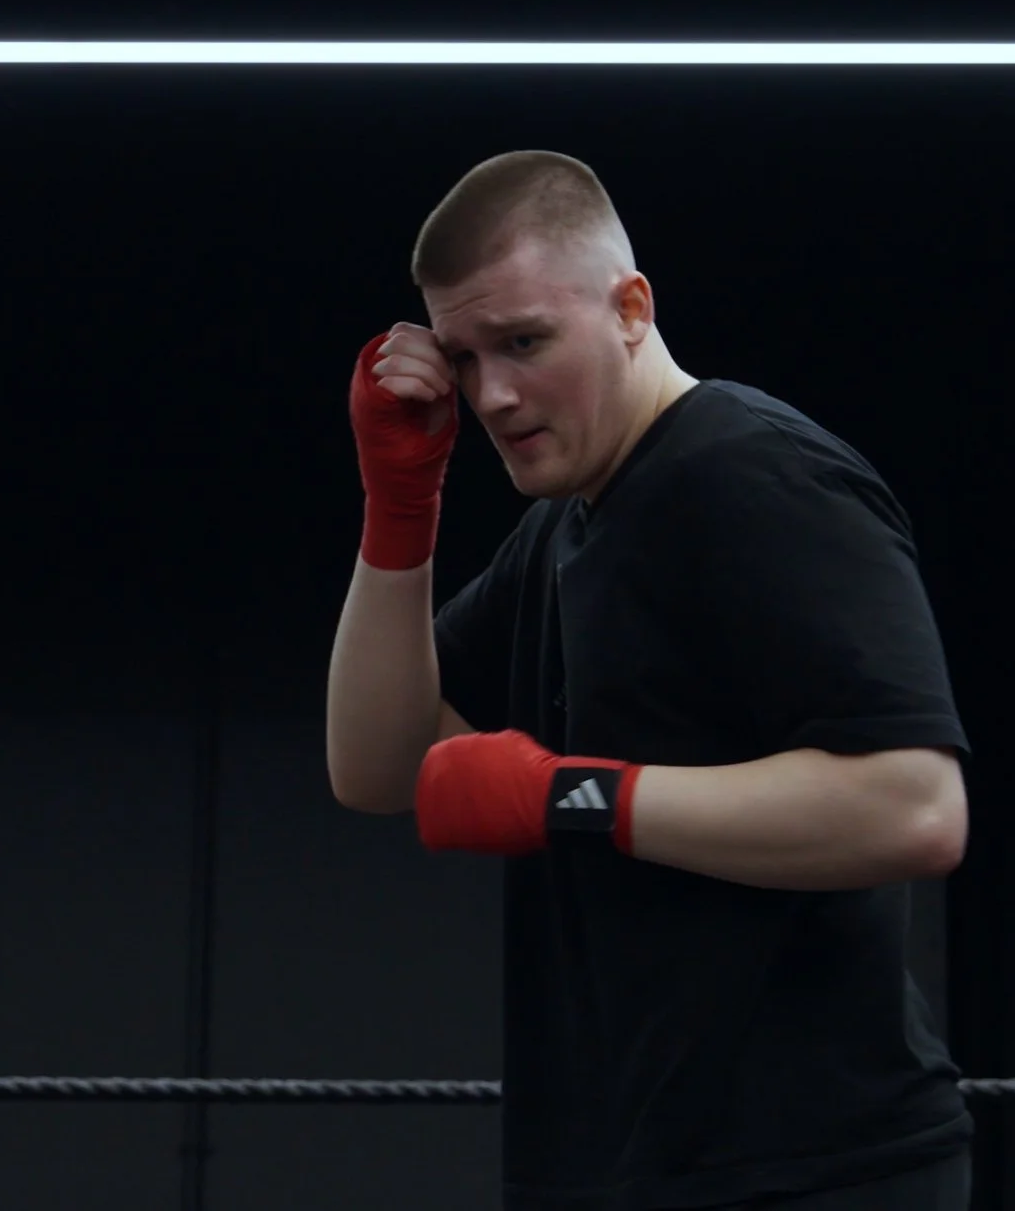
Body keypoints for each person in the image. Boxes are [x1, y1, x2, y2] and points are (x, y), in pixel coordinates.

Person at [325, 150, 975, 1210]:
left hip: (813, 1169)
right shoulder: (559, 536)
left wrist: (567, 794)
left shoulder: (752, 475)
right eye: (461, 354)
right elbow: (376, 766)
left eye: (525, 342)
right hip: (620, 1162)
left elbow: (913, 806)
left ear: (630, 307)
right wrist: (399, 507)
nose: (491, 392)